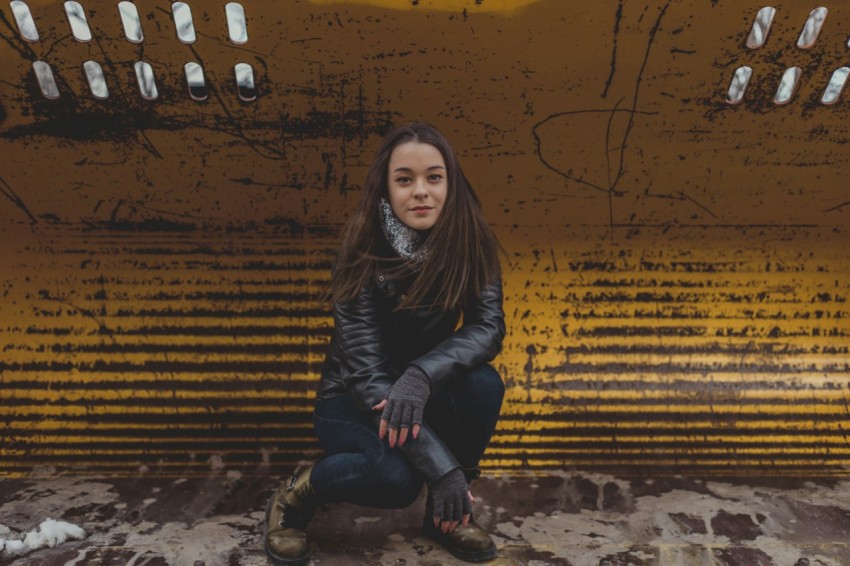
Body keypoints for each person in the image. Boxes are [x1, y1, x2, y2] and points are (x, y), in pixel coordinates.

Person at [264, 122, 506, 565]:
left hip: (423, 389)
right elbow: (364, 375)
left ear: (450, 184)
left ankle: (449, 514)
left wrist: (421, 376)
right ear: (386, 188)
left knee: (484, 385)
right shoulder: (360, 249)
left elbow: (487, 328)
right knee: (394, 480)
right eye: (404, 179)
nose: (421, 191)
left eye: (434, 177)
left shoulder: (472, 241)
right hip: (353, 399)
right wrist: (444, 470)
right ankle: (296, 495)